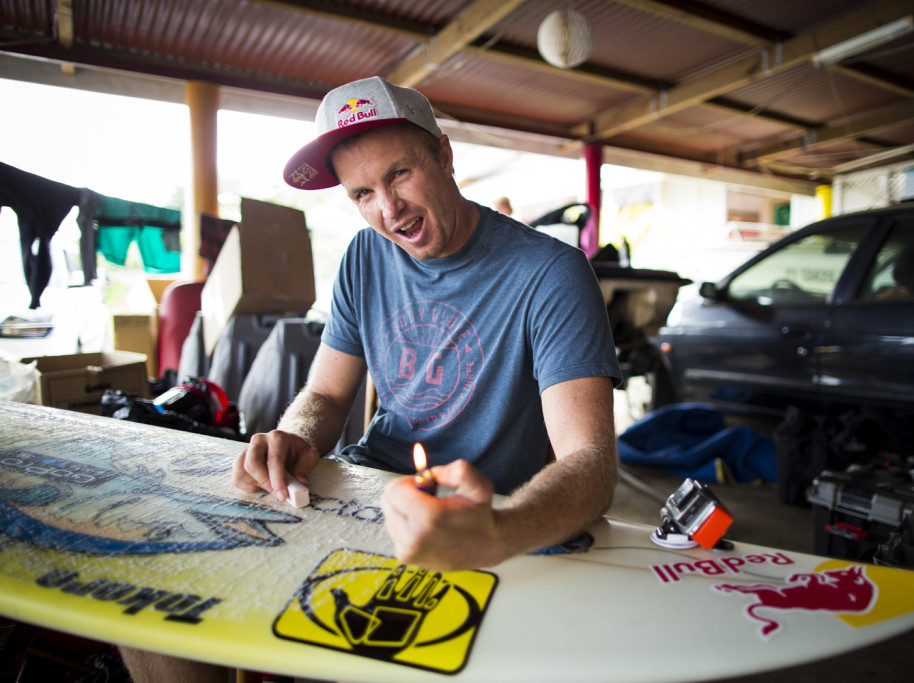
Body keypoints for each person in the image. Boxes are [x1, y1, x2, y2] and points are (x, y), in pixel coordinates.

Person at [120, 76, 620, 681]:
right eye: (362, 193)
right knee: (150, 596)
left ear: (443, 155)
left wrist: (498, 531)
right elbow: (326, 394)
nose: (388, 210)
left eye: (400, 175)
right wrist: (296, 437)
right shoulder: (364, 256)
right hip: (361, 491)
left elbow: (590, 462)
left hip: (474, 523)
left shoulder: (550, 274)